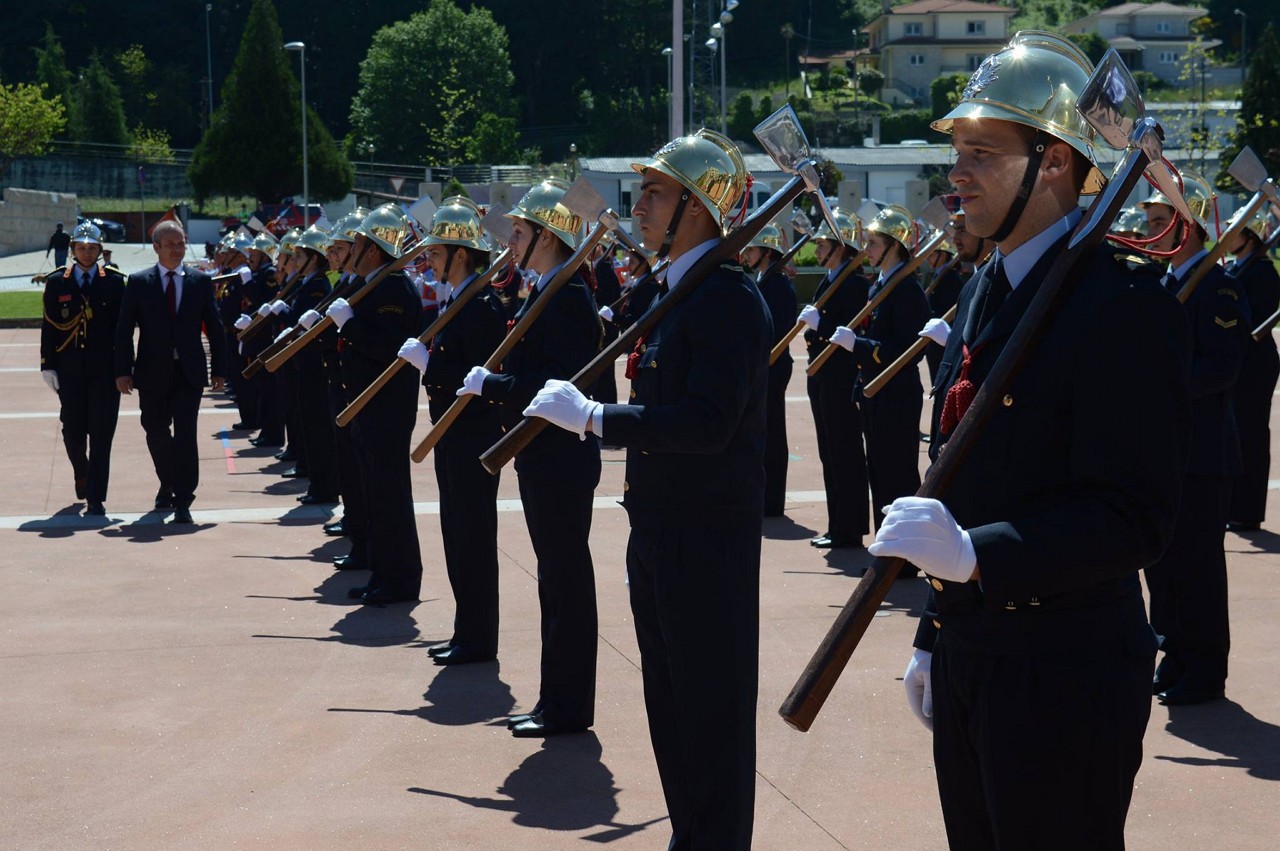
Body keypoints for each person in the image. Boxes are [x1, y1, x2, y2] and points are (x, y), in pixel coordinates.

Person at [868, 33, 1191, 849]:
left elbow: (1133, 515)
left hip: (1066, 669)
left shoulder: (1122, 303)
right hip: (977, 646)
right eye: (958, 151)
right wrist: (934, 633)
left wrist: (979, 555)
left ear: (1053, 163)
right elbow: (960, 475)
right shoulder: (986, 284)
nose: (958, 173)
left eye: (983, 150)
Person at [523, 128, 769, 848]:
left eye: (657, 191)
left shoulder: (724, 296)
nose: (641, 202)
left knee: (710, 713)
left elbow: (708, 422)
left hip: (707, 538)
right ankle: (691, 835)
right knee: (671, 703)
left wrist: (600, 418)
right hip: (659, 528)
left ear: (696, 206)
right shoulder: (678, 290)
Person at [458, 179, 603, 738]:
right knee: (556, 582)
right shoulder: (545, 288)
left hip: (560, 458)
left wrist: (496, 386)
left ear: (547, 236)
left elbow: (553, 386)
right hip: (543, 458)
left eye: (519, 232)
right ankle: (555, 700)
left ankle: (566, 706)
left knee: (565, 582)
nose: (511, 241)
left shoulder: (565, 297)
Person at [1141, 169, 1249, 705]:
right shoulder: (1160, 286)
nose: (1153, 230)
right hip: (1162, 451)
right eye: (1149, 222)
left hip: (1202, 453)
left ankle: (1205, 670)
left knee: (1198, 569)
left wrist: (1161, 386)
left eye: (1161, 221)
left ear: (1190, 226)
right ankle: (1175, 653)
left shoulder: (1218, 286)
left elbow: (1223, 369)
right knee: (1161, 565)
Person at [397, 197, 507, 665]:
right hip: (453, 435)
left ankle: (478, 638)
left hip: (472, 435)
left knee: (472, 537)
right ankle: (467, 629)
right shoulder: (461, 299)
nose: (430, 260)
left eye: (437, 252)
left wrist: (431, 366)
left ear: (461, 254)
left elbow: (473, 374)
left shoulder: (480, 304)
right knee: (456, 534)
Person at [325, 205, 423, 605]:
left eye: (361, 242)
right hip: (367, 405)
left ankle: (399, 578)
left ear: (375, 249)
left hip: (387, 408)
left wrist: (350, 324)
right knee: (377, 496)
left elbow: (388, 349)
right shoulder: (371, 284)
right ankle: (384, 573)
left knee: (390, 496)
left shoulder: (393, 288)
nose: (353, 248)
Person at [114, 220, 227, 523]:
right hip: (151, 372)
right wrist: (123, 371)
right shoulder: (138, 282)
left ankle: (183, 499)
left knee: (186, 434)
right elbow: (123, 330)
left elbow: (215, 329)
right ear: (157, 247)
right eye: (171, 245)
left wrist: (220, 369)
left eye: (181, 244)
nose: (177, 250)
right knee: (155, 430)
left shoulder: (199, 282)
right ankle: (168, 481)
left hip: (188, 372)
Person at [40, 222, 126, 516]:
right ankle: (82, 471)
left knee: (102, 435)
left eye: (92, 249)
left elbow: (123, 331)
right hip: (70, 369)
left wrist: (125, 368)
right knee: (72, 431)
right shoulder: (57, 282)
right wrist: (47, 365)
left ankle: (96, 497)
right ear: (73, 250)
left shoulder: (114, 282)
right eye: (81, 248)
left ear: (100, 251)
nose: (87, 254)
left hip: (105, 370)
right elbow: (49, 328)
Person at [800, 207, 871, 548]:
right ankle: (837, 523)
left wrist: (821, 326)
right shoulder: (832, 279)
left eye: (824, 245)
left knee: (844, 451)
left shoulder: (854, 283)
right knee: (830, 451)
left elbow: (849, 333)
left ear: (841, 247)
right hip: (821, 374)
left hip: (841, 376)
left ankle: (850, 526)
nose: (818, 251)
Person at [1224, 208, 1279, 531]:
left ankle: (1248, 511)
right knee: (1235, 435)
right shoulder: (1236, 267)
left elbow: (1253, 318)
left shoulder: (1263, 271)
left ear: (1250, 235)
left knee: (1252, 435)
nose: (1228, 236)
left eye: (1235, 230)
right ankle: (1234, 505)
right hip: (1238, 361)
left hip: (1256, 363)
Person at [741, 222, 797, 516]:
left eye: (752, 249)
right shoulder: (765, 279)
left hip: (774, 365)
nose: (747, 254)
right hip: (764, 365)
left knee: (773, 433)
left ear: (767, 251)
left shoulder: (776, 284)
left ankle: (773, 500)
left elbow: (776, 329)